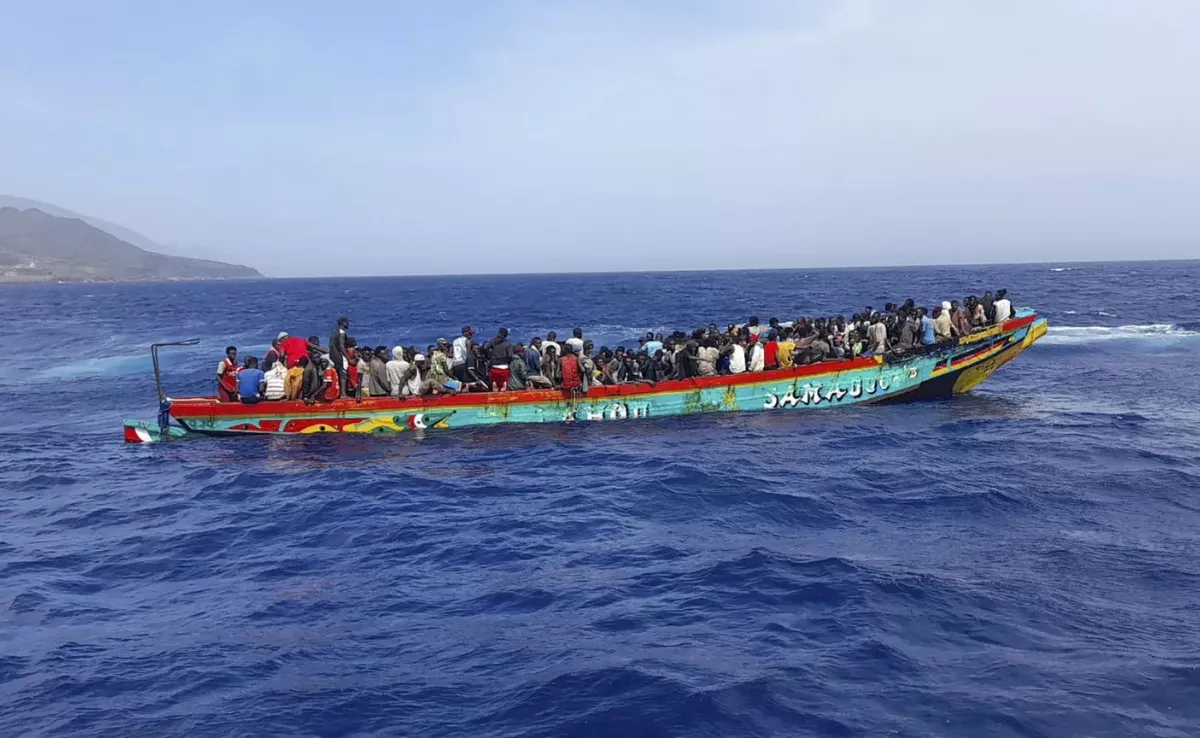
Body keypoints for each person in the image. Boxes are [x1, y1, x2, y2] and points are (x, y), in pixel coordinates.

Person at [328, 317, 350, 397]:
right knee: (343, 374)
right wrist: (348, 358)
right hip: (340, 355)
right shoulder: (342, 333)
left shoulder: (334, 332)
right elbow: (341, 346)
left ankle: (338, 393)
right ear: (343, 323)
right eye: (346, 322)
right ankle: (343, 394)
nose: (348, 324)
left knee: (338, 373)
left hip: (333, 356)